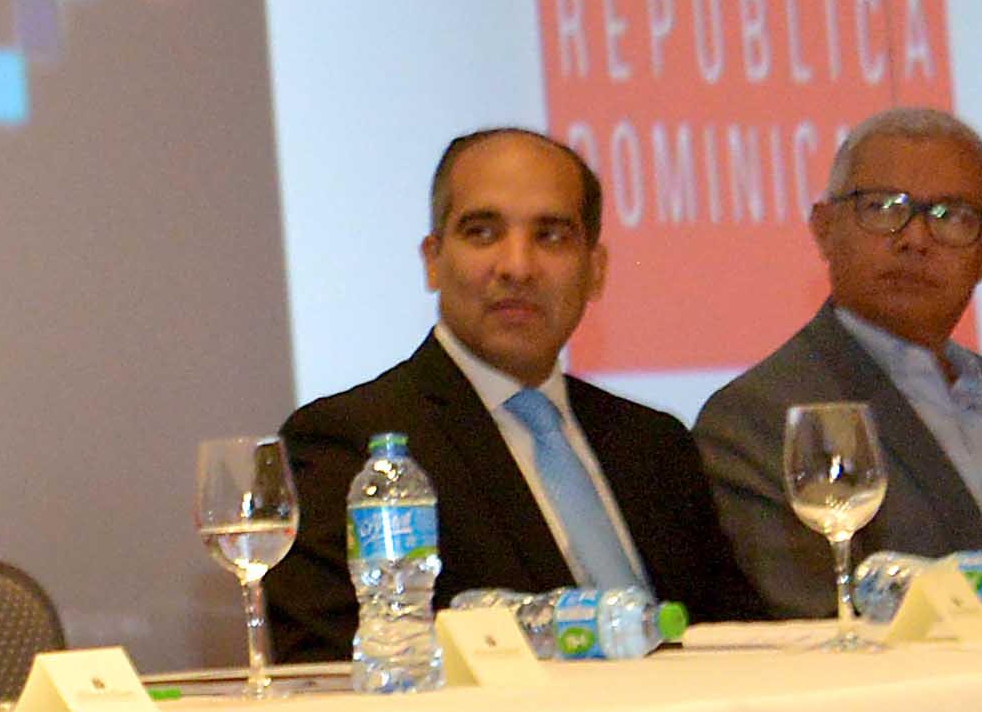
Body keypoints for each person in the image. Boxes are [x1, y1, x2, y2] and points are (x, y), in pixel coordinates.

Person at [259, 127, 765, 661]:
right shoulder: (349, 443)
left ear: (596, 271)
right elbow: (333, 666)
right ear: (433, 259)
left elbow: (740, 638)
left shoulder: (654, 444)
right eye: (482, 233)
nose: (517, 267)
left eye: (551, 237)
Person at [692, 105, 982, 619]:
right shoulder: (762, 417)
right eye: (882, 207)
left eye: (950, 216)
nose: (915, 239)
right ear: (824, 228)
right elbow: (826, 620)